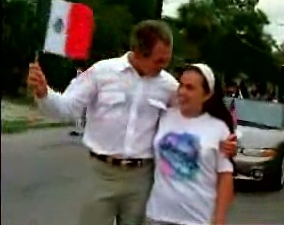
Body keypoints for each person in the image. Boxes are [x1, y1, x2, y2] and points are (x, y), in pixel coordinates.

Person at [27, 20, 237, 225]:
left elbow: (194, 118)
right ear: (137, 52)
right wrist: (44, 94)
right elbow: (68, 108)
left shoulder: (169, 86)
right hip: (101, 175)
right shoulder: (102, 72)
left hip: (141, 179)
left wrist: (226, 140)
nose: (164, 66)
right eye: (159, 61)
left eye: (167, 60)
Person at [145, 63, 234, 225]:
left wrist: (220, 219)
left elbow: (225, 178)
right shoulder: (164, 116)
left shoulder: (219, 129)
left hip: (197, 219)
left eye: (190, 88)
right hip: (157, 215)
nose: (182, 92)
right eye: (181, 85)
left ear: (207, 95)